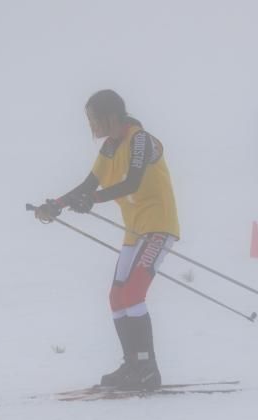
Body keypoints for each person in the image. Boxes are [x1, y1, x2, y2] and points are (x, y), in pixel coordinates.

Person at [35, 89, 180, 390]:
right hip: (134, 230)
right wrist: (57, 205)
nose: (90, 126)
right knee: (117, 298)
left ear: (110, 117)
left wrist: (94, 199)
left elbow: (133, 182)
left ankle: (147, 368)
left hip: (157, 225)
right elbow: (89, 184)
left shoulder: (139, 139)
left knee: (134, 294)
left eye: (93, 119)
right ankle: (132, 365)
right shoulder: (110, 148)